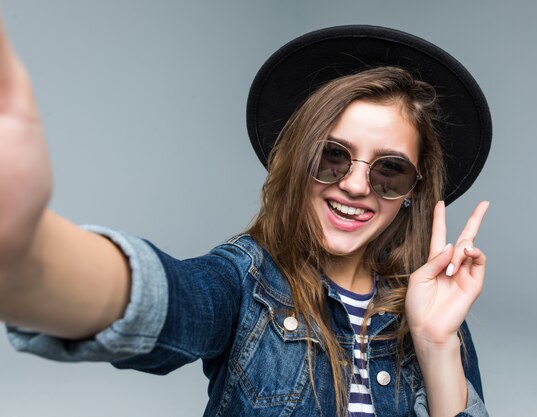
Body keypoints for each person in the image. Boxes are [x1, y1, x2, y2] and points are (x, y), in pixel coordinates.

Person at [0, 20, 492, 417]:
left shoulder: (428, 307)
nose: (358, 186)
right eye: (332, 156)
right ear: (297, 162)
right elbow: (170, 298)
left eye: (389, 170)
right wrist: (27, 256)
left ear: (411, 192)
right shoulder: (244, 283)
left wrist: (435, 342)